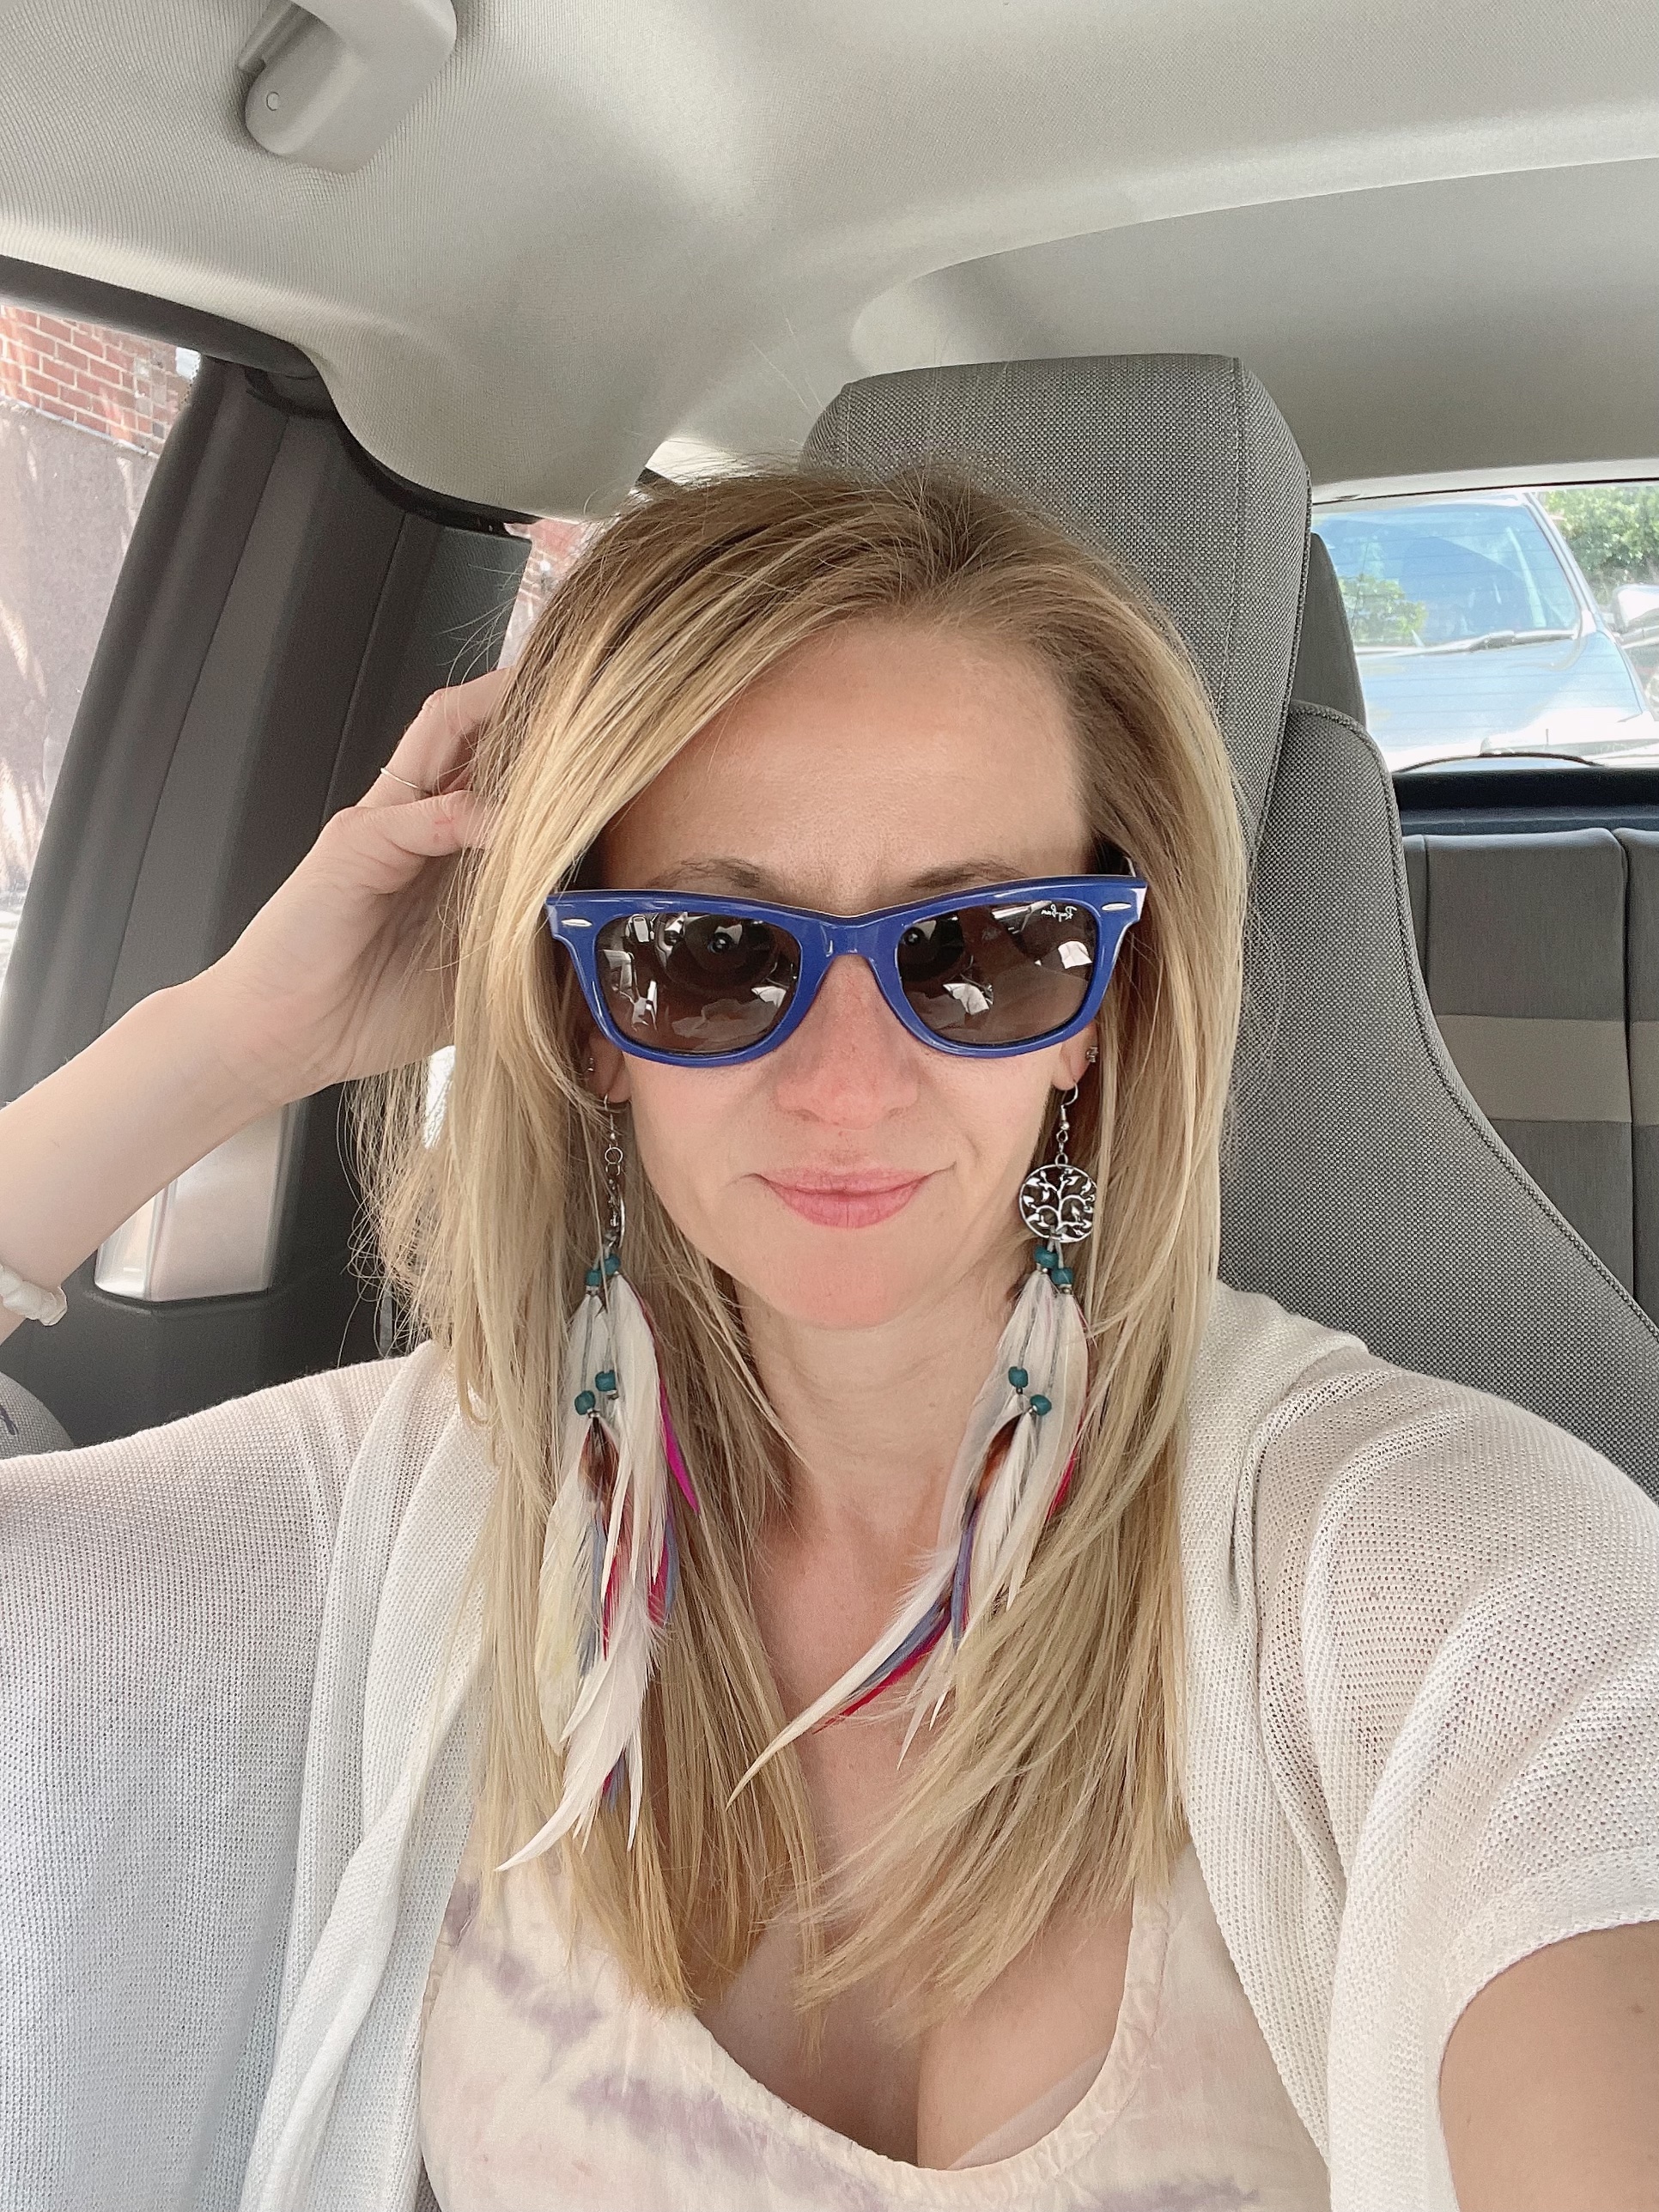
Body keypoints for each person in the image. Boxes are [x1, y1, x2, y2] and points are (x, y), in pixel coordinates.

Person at [2, 467, 1656, 2212]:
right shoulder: (430, 1507)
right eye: (710, 955)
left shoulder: (1430, 1576)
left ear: (1097, 1013)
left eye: (983, 949)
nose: (850, 1084)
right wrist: (231, 1036)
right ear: (590, 1017)